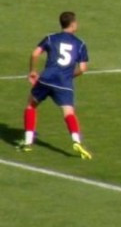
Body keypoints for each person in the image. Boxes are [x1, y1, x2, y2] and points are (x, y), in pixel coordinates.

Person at [16, 11, 92, 159]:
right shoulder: (80, 44)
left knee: (31, 105)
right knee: (69, 113)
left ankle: (28, 142)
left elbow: (35, 54)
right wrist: (68, 76)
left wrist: (32, 71)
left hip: (46, 79)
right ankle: (76, 141)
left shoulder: (51, 38)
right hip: (64, 83)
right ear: (73, 24)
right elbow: (83, 69)